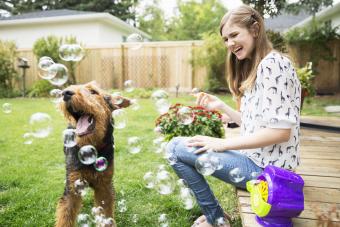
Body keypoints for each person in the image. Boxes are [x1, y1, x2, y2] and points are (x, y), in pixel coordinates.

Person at [166, 4, 301, 227]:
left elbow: (280, 132)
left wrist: (220, 144)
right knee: (177, 147)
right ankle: (216, 217)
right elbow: (258, 124)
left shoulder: (273, 65)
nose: (229, 44)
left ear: (255, 29)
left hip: (268, 174)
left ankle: (217, 219)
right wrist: (222, 107)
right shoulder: (262, 66)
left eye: (234, 35)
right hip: (258, 162)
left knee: (174, 149)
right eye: (226, 39)